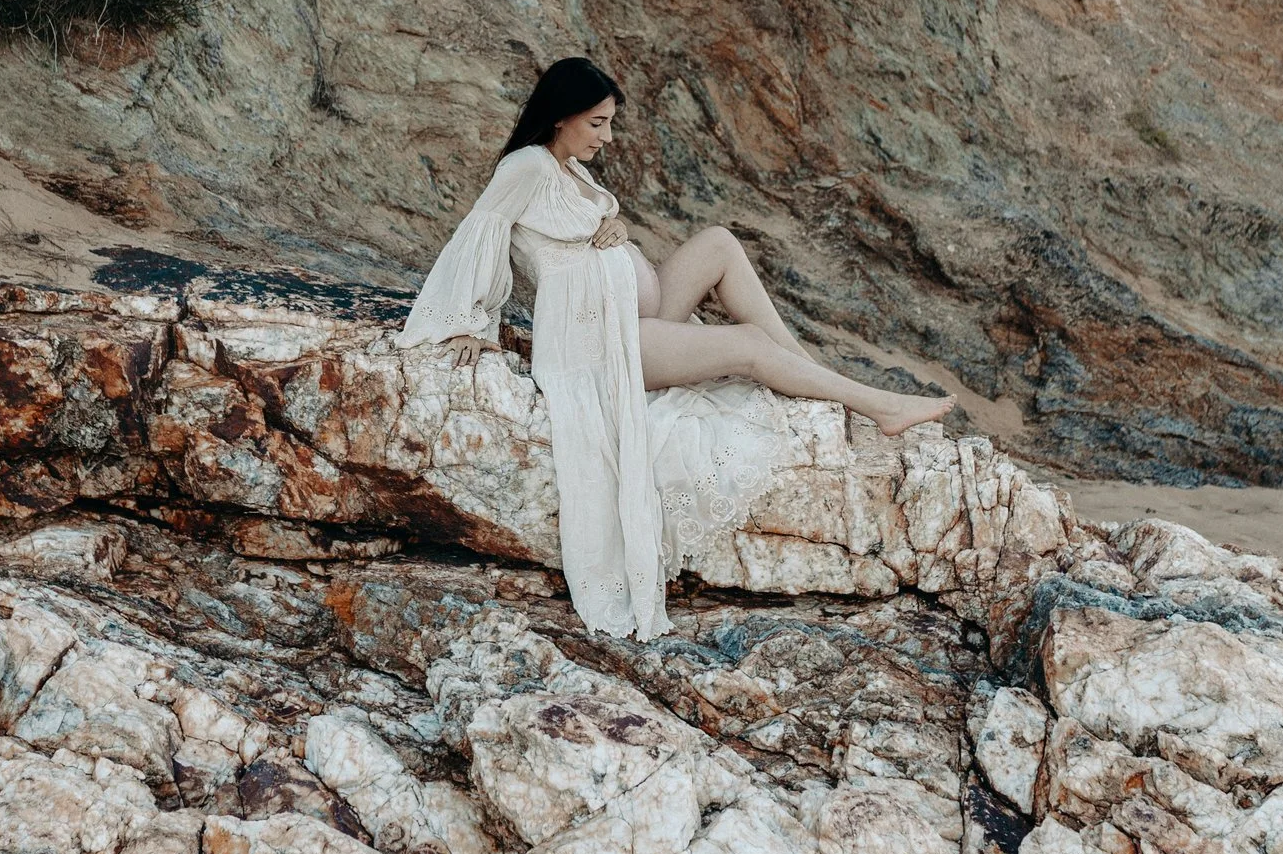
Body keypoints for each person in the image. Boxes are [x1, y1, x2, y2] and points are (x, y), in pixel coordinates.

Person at [394, 57, 955, 638]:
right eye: (598, 123)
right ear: (561, 118)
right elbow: (478, 234)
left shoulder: (570, 168)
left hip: (634, 315)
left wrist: (620, 231)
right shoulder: (526, 165)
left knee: (719, 243)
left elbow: (580, 230)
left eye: (611, 123)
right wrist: (465, 322)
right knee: (747, 345)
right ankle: (882, 408)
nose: (608, 137)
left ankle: (808, 375)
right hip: (600, 343)